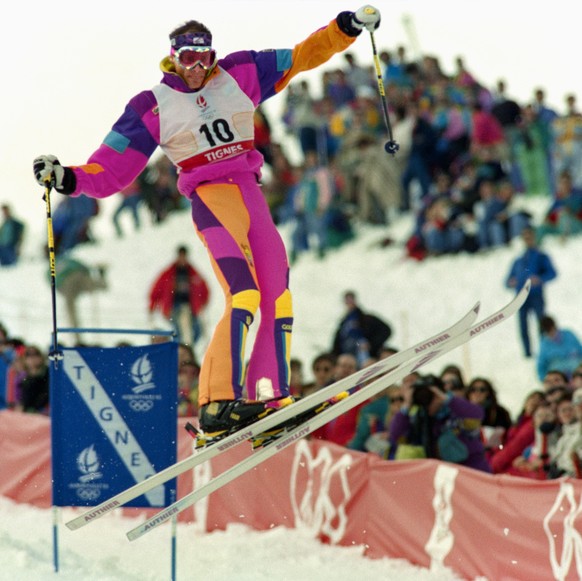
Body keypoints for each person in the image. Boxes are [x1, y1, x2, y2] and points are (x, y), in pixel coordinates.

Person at [33, 6, 382, 438]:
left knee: (279, 294)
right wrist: (67, 178)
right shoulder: (152, 105)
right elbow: (113, 169)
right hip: (212, 197)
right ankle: (217, 401)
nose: (196, 68)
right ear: (173, 58)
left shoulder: (240, 72)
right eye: (187, 59)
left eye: (203, 57)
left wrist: (343, 29)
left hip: (250, 192)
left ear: (212, 54)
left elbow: (301, 56)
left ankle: (268, 394)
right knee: (244, 293)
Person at [388, 374, 491, 472]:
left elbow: (477, 415)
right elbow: (396, 436)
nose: (427, 402)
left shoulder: (456, 410)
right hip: (446, 478)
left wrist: (446, 398)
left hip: (474, 473)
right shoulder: (420, 420)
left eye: (430, 396)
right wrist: (406, 405)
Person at [505, 226, 557, 357]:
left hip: (536, 295)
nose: (527, 240)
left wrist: (540, 279)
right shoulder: (518, 260)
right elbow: (507, 281)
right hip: (520, 297)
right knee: (523, 326)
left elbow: (552, 273)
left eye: (530, 237)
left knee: (541, 324)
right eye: (525, 237)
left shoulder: (541, 256)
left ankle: (543, 351)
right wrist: (512, 282)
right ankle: (527, 353)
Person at [148, 245, 210, 347]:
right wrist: (152, 306)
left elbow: (204, 290)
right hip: (174, 307)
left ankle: (186, 349)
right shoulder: (169, 273)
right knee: (179, 331)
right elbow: (156, 289)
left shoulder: (192, 273)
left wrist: (201, 305)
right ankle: (182, 350)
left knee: (196, 331)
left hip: (190, 308)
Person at [54, 255, 109, 344]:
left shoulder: (55, 265)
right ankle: (101, 279)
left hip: (66, 283)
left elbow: (51, 279)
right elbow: (83, 267)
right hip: (78, 276)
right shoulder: (69, 261)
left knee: (70, 310)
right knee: (93, 286)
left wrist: (58, 285)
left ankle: (77, 338)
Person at [331, 290, 392, 365]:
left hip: (360, 345)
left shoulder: (366, 318)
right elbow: (337, 342)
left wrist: (371, 344)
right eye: (347, 300)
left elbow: (386, 330)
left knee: (363, 359)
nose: (349, 302)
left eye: (351, 299)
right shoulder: (343, 323)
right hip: (347, 352)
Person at [537, 315, 582, 381]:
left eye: (551, 331)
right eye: (547, 333)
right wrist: (544, 380)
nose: (550, 335)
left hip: (577, 375)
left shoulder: (568, 334)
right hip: (559, 379)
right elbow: (541, 365)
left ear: (555, 327)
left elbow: (580, 350)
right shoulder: (544, 344)